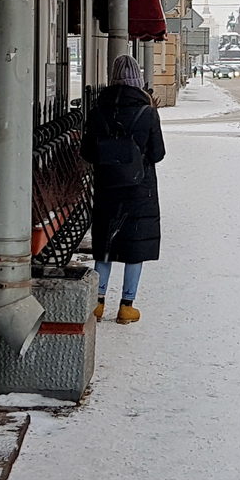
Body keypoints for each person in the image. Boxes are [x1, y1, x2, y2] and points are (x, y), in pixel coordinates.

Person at [79, 54, 165, 323]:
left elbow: (87, 151)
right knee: (134, 246)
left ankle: (98, 303)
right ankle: (127, 307)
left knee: (105, 244)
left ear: (112, 79)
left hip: (107, 186)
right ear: (137, 80)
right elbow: (158, 153)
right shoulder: (147, 113)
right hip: (140, 189)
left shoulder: (97, 111)